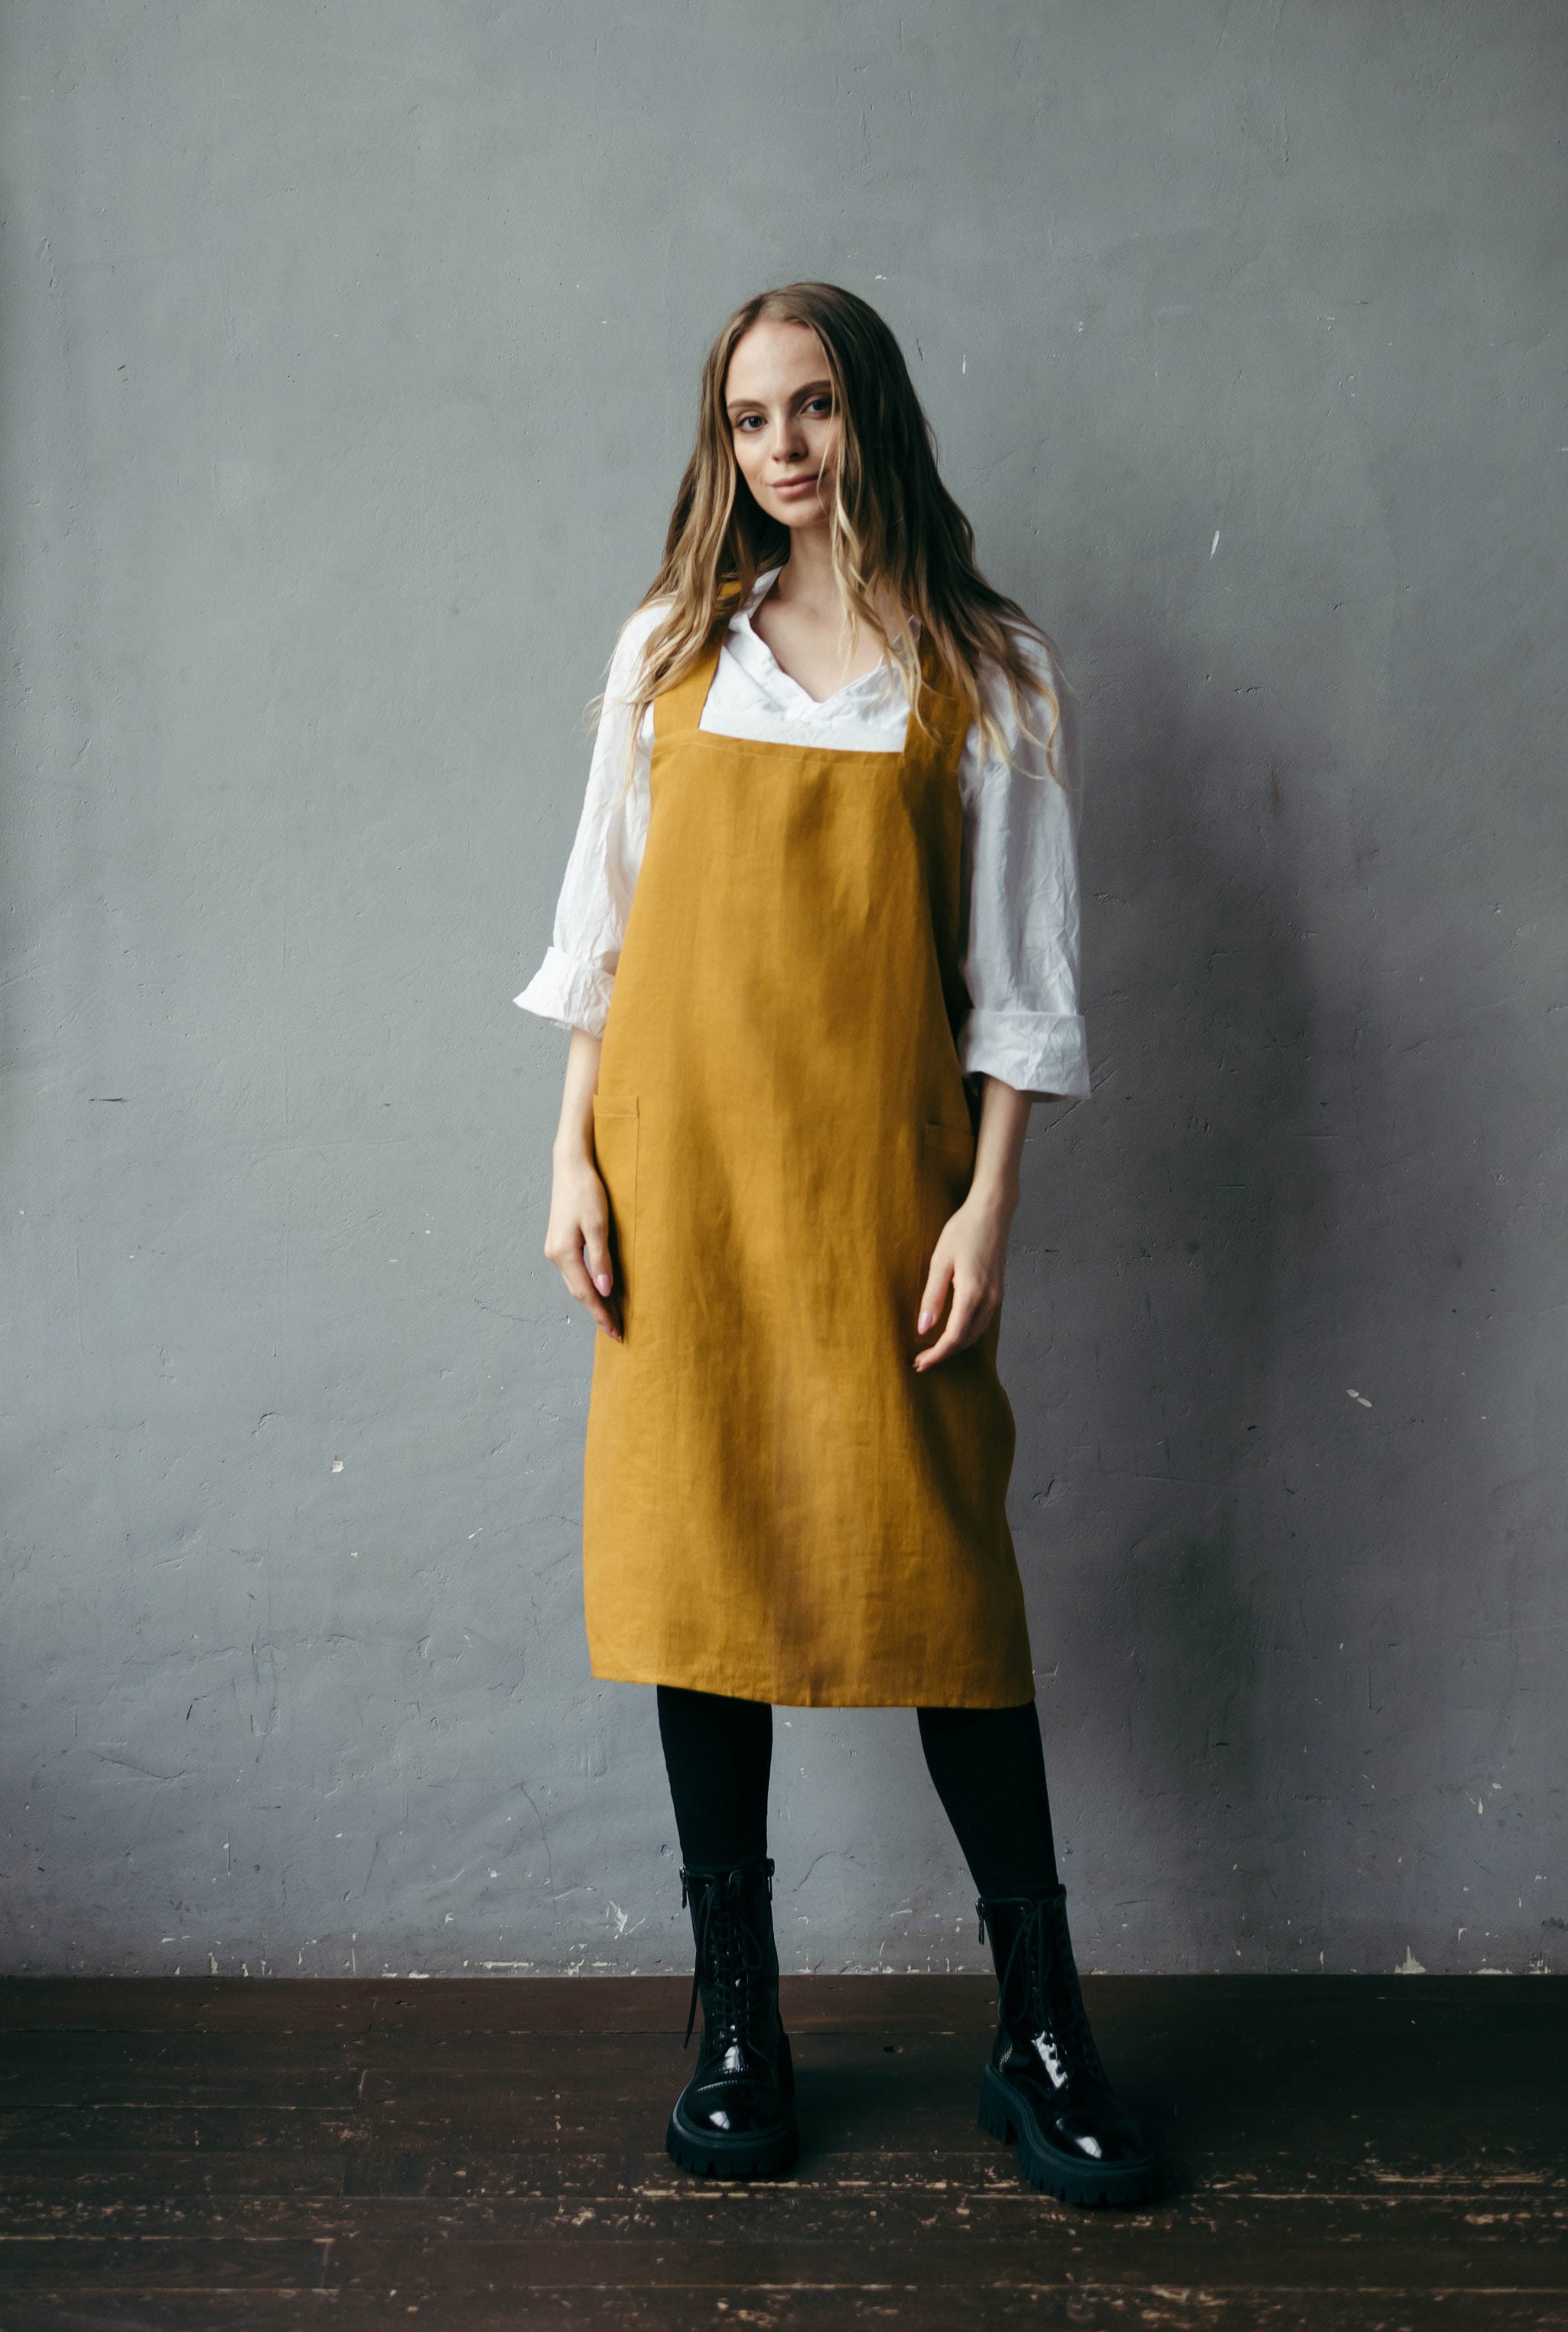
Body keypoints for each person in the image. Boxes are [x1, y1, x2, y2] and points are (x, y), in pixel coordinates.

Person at [516, 281, 1157, 2207]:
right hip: (676, 1185)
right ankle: (736, 2015)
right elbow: (600, 938)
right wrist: (570, 1161)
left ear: (869, 415)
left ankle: (1036, 2031)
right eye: (748, 421)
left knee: (944, 1586)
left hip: (881, 1191)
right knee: (698, 1566)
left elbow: (1017, 989)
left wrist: (986, 1203)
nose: (781, 448)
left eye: (811, 408)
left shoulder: (987, 669)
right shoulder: (667, 653)